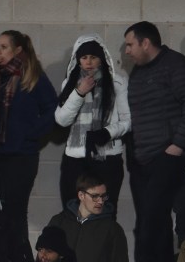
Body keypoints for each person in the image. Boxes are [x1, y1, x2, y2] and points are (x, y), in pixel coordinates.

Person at [124, 21, 185, 262]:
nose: (127, 51)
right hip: (143, 158)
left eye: (130, 44)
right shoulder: (137, 73)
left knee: (155, 213)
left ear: (146, 43)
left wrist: (177, 146)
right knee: (149, 217)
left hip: (170, 155)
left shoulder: (177, 66)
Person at [0, 29, 57, 254]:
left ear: (18, 50)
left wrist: (30, 134)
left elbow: (52, 110)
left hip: (21, 156)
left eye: (4, 47)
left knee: (15, 212)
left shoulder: (32, 76)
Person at [54, 33, 131, 209]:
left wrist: (107, 133)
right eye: (84, 57)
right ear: (78, 59)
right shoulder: (70, 82)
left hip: (107, 158)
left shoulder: (117, 82)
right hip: (75, 158)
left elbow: (128, 121)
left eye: (94, 57)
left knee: (105, 212)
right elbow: (62, 120)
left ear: (102, 58)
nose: (88, 62)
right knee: (72, 211)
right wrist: (79, 92)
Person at [48, 173, 129, 262]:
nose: (100, 201)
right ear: (81, 195)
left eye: (103, 196)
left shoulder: (112, 229)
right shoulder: (59, 222)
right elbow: (44, 260)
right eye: (95, 196)